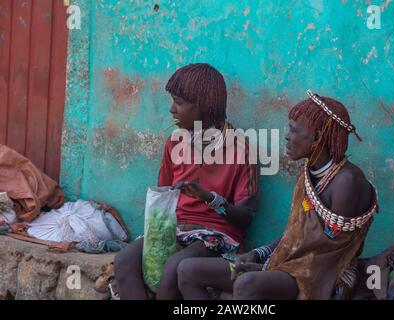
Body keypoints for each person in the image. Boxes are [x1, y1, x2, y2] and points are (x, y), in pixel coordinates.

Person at [176, 90, 379, 300]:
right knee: (187, 271)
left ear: (317, 137)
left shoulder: (347, 181)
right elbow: (297, 233)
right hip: (288, 265)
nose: (287, 136)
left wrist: (267, 268)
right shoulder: (309, 172)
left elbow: (330, 252)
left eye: (293, 130)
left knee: (246, 284)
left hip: (319, 275)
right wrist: (258, 254)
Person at [113, 63, 259, 300]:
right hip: (176, 228)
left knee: (174, 266)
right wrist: (156, 232)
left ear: (202, 107)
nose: (172, 110)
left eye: (178, 102)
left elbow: (245, 218)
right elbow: (164, 197)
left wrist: (208, 198)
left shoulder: (242, 149)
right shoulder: (175, 142)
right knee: (124, 260)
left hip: (217, 233)